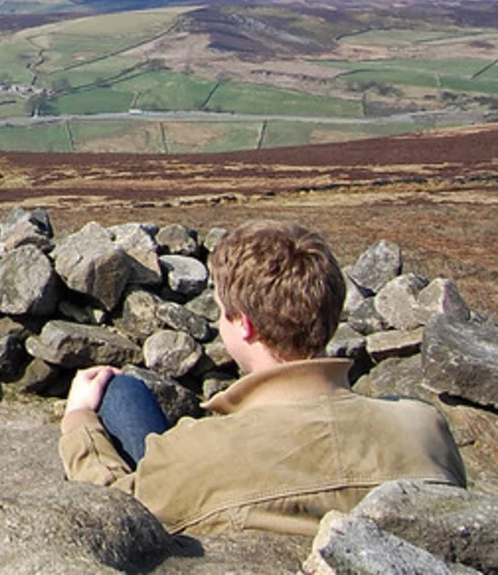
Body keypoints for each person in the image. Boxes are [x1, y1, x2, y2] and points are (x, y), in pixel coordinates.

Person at [59, 219, 467, 535]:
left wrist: (79, 421)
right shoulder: (423, 427)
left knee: (120, 393)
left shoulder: (196, 452)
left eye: (221, 311)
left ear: (246, 326)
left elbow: (116, 513)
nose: (219, 323)